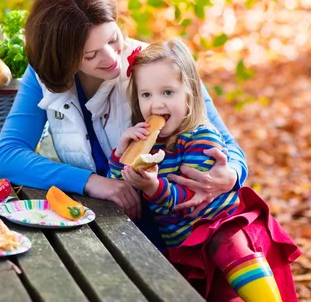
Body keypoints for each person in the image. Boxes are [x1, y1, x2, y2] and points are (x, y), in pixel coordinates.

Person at [0, 0, 247, 246]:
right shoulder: (45, 76)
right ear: (61, 60)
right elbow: (9, 156)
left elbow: (230, 147)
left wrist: (230, 174)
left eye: (113, 39)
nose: (111, 58)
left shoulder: (157, 67)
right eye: (90, 55)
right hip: (104, 226)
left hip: (183, 226)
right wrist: (92, 182)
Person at [109, 38, 301, 301]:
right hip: (184, 244)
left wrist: (153, 187)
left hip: (216, 226)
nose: (156, 104)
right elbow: (120, 187)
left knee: (230, 249)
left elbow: (189, 199)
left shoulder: (200, 137)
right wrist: (121, 155)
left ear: (189, 95)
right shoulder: (148, 142)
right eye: (146, 94)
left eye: (168, 92)